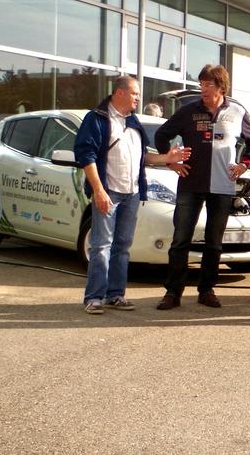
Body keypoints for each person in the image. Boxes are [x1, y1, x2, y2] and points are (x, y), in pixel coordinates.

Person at [74, 76, 189, 315]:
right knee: (101, 246)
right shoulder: (97, 119)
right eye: (135, 93)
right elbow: (87, 156)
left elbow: (142, 158)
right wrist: (99, 190)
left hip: (132, 193)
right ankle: (94, 297)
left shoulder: (133, 121)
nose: (138, 98)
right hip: (109, 192)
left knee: (123, 246)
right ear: (119, 93)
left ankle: (115, 294)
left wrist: (167, 159)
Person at [154, 65, 250, 310]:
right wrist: (171, 161)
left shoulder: (237, 111)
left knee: (214, 242)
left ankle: (207, 290)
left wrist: (244, 165)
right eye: (201, 84)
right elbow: (161, 135)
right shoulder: (188, 110)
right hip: (190, 183)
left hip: (223, 186)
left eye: (208, 84)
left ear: (221, 86)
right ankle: (172, 292)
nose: (203, 89)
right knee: (181, 240)